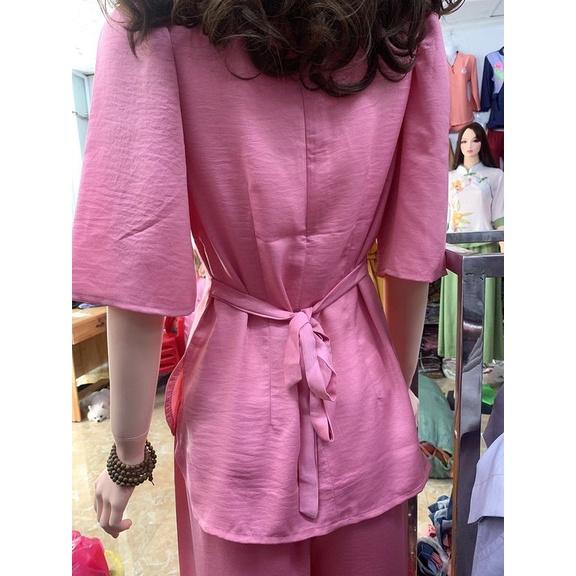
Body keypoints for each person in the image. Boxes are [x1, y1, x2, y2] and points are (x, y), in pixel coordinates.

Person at [72, 1, 463, 574]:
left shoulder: (156, 19)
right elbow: (411, 249)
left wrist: (128, 451)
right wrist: (393, 386)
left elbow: (139, 256)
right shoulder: (403, 22)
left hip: (237, 409)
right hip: (364, 394)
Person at [438, 121, 504, 366]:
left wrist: (504, 242)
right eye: (464, 140)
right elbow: (441, 217)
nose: (469, 145)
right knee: (455, 306)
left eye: (475, 140)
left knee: (484, 308)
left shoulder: (495, 176)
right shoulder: (447, 178)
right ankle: (455, 358)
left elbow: (500, 215)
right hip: (454, 248)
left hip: (485, 246)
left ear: (482, 143)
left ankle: (483, 359)